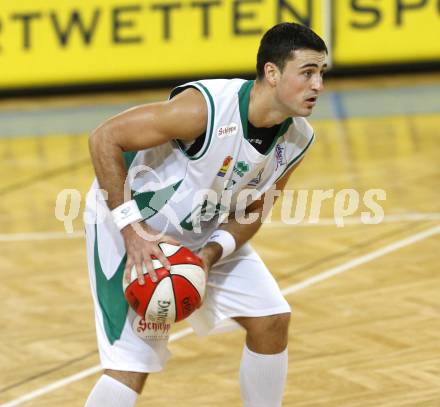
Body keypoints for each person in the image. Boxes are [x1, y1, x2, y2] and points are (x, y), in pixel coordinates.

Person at [84, 22, 327, 407]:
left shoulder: (298, 137)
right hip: (130, 222)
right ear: (272, 72)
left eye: (321, 74)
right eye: (308, 72)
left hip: (202, 227)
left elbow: (254, 210)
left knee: (271, 319)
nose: (318, 85)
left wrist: (209, 255)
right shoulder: (206, 108)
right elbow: (104, 138)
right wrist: (132, 231)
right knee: (131, 366)